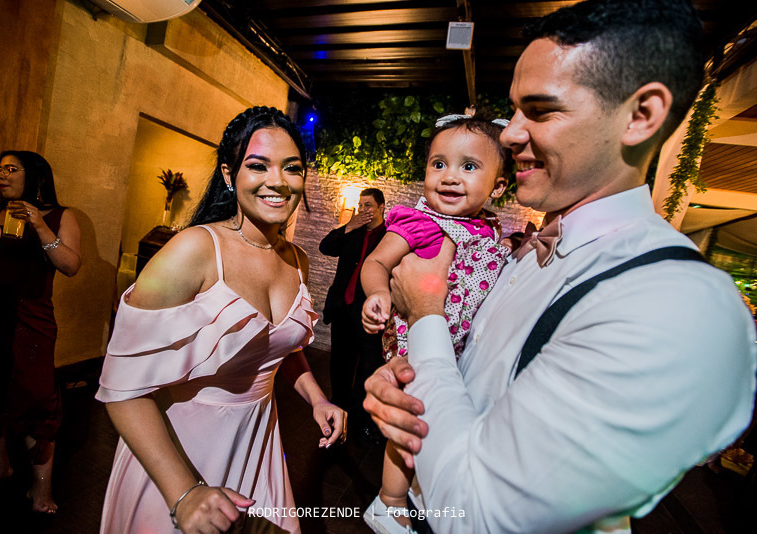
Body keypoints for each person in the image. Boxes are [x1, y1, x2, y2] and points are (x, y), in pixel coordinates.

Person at [362, 1, 757, 532]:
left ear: (640, 116)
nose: (509, 134)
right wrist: (407, 382)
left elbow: (484, 516)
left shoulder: (674, 304)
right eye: (514, 111)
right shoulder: (524, 246)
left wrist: (426, 314)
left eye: (540, 110)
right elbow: (474, 377)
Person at [96, 106, 346, 534]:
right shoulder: (194, 250)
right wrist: (183, 493)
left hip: (257, 443)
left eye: (292, 168)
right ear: (230, 175)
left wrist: (317, 399)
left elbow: (278, 346)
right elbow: (121, 389)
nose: (278, 181)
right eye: (258, 166)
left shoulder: (297, 261)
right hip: (177, 452)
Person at [359, 111, 511, 534]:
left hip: (456, 347)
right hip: (417, 340)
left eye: (469, 166)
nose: (449, 177)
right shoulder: (422, 222)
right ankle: (389, 501)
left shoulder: (487, 230)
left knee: (438, 420)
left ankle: (421, 493)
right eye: (439, 164)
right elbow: (376, 262)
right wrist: (379, 294)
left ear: (498, 186)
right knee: (410, 418)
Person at [0, 150, 81, 514]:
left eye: (11, 169)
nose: (0, 175)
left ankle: (40, 488)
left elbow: (71, 265)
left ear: (36, 176)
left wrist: (39, 225)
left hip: (29, 320)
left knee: (37, 398)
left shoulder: (60, 215)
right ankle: (0, 468)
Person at [319, 187, 387, 439]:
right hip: (342, 309)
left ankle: (361, 416)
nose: (363, 210)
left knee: (369, 365)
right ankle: (337, 406)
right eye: (361, 205)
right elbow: (325, 247)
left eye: (368, 205)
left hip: (369, 313)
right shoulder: (352, 231)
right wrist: (348, 226)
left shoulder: (389, 236)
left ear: (381, 207)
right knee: (339, 361)